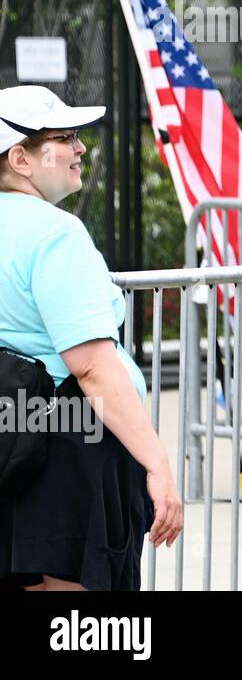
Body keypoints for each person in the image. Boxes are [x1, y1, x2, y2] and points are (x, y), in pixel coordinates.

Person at [0, 86, 182, 591]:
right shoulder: (55, 233)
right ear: (20, 158)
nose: (81, 148)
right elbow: (92, 367)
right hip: (70, 447)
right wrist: (157, 463)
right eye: (66, 137)